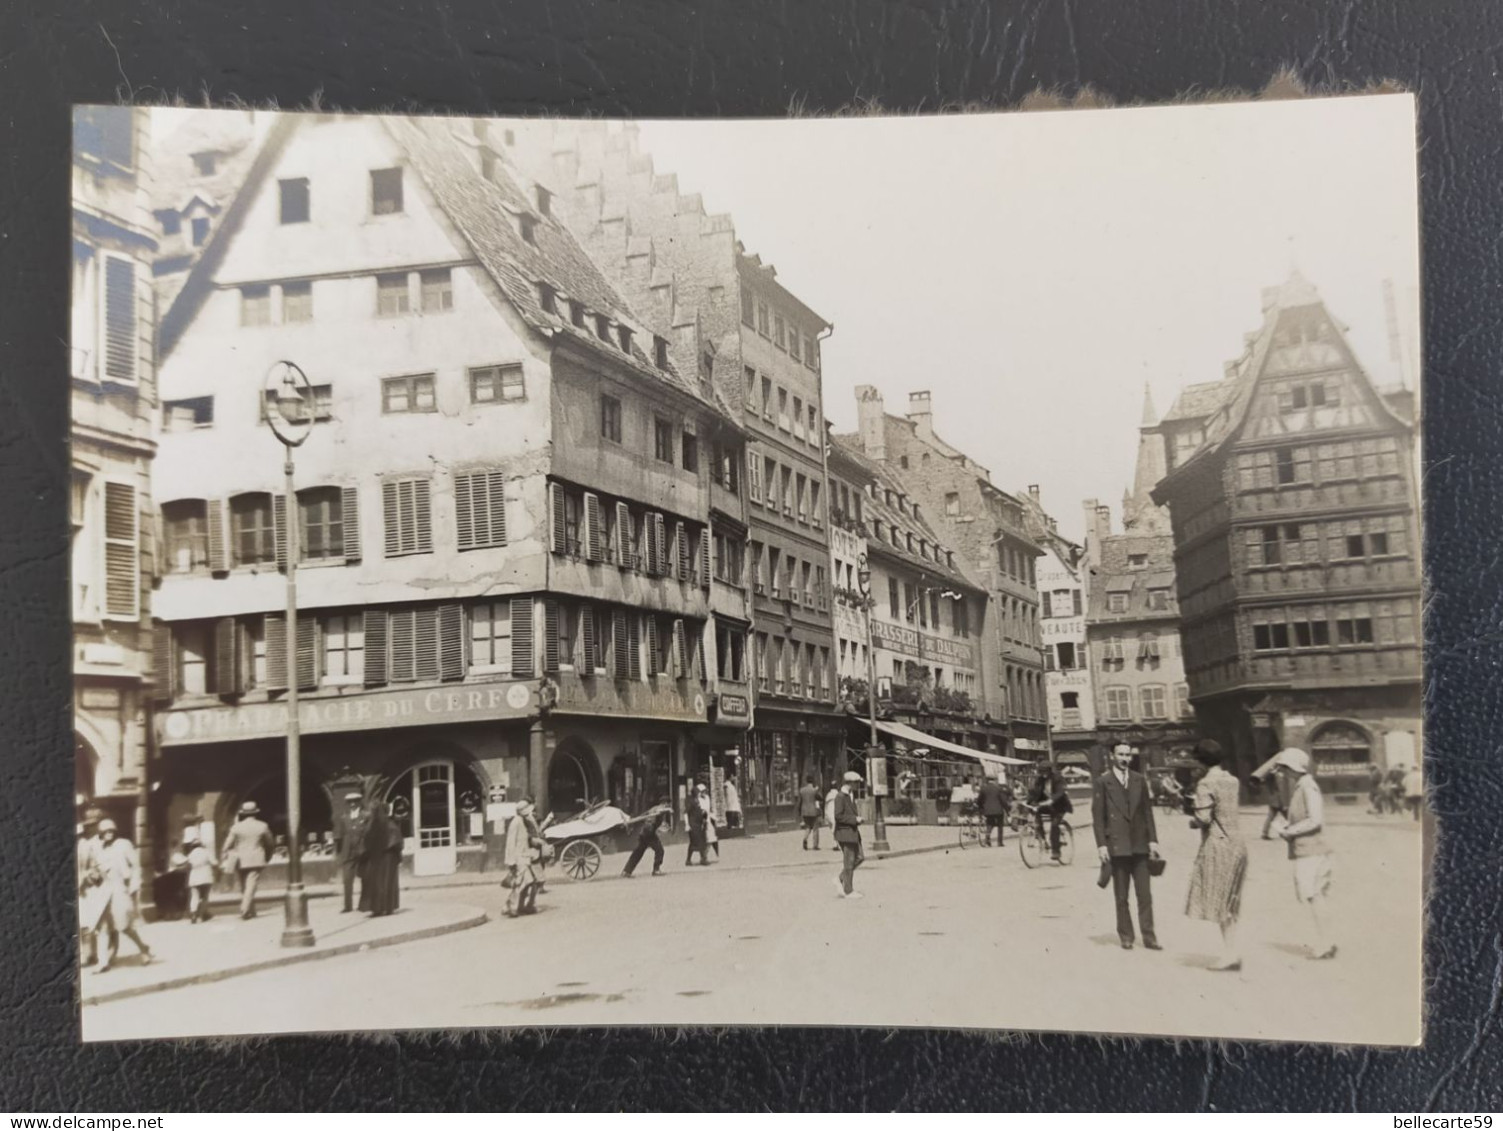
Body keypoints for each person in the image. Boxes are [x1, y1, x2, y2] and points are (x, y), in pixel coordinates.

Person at [1184, 739, 1248, 971]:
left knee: (1220, 900)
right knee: (1231, 900)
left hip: (1218, 845)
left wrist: (1193, 820)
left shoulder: (1205, 784)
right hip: (1237, 843)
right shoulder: (1233, 780)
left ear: (1201, 761)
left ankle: (1230, 953)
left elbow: (1203, 819)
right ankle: (1232, 951)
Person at [1092, 743, 1162, 950]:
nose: (1125, 758)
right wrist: (1101, 845)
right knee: (1121, 896)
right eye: (1120, 754)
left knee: (1145, 895)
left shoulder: (1139, 780)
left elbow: (1148, 812)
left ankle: (1149, 936)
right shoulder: (1103, 782)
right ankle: (1126, 935)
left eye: (1128, 755)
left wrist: (1153, 840)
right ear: (1112, 756)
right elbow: (1098, 816)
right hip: (1117, 846)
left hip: (1140, 845)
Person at [1275, 747, 1336, 960]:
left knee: (1313, 895)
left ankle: (1325, 944)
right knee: (1317, 896)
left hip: (1311, 850)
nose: (1283, 773)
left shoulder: (1307, 787)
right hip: (1312, 849)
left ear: (1294, 768)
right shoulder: (1302, 786)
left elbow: (1314, 819)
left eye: (1285, 768)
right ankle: (1327, 940)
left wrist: (1288, 831)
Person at [87, 819, 155, 972]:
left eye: (112, 830)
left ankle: (143, 949)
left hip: (119, 889)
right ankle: (102, 962)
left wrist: (134, 885)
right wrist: (93, 876)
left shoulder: (123, 844)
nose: (109, 833)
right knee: (102, 927)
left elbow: (136, 866)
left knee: (124, 926)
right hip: (103, 891)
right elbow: (95, 870)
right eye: (106, 831)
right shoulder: (97, 849)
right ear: (101, 833)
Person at [222, 800, 274, 920]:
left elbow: (227, 845)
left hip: (240, 859)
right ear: (255, 813)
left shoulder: (236, 827)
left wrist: (226, 855)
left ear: (243, 813)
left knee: (244, 886)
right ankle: (245, 909)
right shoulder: (262, 826)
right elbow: (270, 843)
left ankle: (251, 910)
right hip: (256, 859)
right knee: (251, 885)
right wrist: (268, 856)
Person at [503, 798, 546, 916]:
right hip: (518, 858)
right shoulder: (516, 822)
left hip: (525, 857)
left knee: (527, 883)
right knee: (526, 882)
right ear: (521, 811)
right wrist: (511, 861)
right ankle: (511, 907)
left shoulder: (524, 820)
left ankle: (517, 906)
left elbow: (526, 839)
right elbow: (510, 842)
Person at [360, 800, 403, 917]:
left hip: (377, 858)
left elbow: (365, 842)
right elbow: (397, 842)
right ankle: (388, 907)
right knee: (387, 882)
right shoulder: (390, 824)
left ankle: (377, 908)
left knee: (377, 883)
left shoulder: (371, 825)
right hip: (388, 858)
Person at [170, 826, 217, 925]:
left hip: (194, 877)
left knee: (194, 896)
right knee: (204, 897)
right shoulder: (206, 852)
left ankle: (193, 914)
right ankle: (202, 915)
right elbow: (214, 863)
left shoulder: (191, 854)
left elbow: (186, 864)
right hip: (206, 877)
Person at [76, 815, 104, 968]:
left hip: (85, 889)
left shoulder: (87, 847)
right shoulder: (85, 846)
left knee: (86, 923)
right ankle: (87, 955)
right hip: (81, 888)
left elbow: (94, 868)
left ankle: (88, 955)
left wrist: (86, 877)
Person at [1029, 766, 1073, 861]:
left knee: (1054, 825)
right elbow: (1034, 792)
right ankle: (1041, 837)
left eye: (1045, 773)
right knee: (1036, 812)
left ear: (1050, 771)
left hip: (1060, 806)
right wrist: (1029, 802)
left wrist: (1052, 799)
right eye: (1042, 773)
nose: (1044, 775)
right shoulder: (1040, 780)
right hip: (1048, 805)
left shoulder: (1058, 778)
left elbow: (1061, 791)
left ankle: (1056, 851)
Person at [833, 771, 865, 899]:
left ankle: (840, 878)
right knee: (849, 861)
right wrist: (855, 820)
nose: (858, 785)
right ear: (850, 783)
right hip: (845, 832)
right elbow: (838, 816)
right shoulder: (840, 796)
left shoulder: (850, 795)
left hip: (852, 832)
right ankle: (848, 890)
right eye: (856, 782)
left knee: (860, 857)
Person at [334, 791, 368, 914]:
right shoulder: (344, 818)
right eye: (350, 802)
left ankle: (364, 904)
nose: (353, 804)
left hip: (362, 852)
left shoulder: (365, 816)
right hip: (348, 853)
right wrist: (339, 854)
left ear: (359, 802)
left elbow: (368, 834)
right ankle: (347, 906)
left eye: (355, 801)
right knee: (347, 880)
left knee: (365, 878)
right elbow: (339, 836)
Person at [622, 806, 668, 878]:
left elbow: (644, 815)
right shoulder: (660, 808)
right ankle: (656, 870)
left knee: (638, 852)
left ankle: (627, 871)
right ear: (665, 803)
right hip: (649, 832)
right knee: (659, 850)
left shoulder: (653, 808)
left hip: (644, 832)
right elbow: (662, 810)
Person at [1250, 753, 1286, 839]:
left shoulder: (1270, 775)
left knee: (1271, 817)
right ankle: (1284, 832)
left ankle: (1265, 833)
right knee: (1288, 817)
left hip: (1274, 799)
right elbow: (1280, 787)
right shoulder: (1275, 774)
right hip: (1279, 799)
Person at [977, 773, 1010, 848]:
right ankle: (1000, 842)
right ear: (994, 780)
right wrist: (1007, 809)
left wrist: (981, 808)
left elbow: (979, 800)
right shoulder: (998, 788)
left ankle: (987, 839)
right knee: (1000, 826)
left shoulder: (983, 788)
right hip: (998, 810)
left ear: (987, 780)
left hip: (987, 810)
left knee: (989, 824)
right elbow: (1003, 800)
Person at [685, 784, 710, 866]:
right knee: (696, 842)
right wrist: (687, 824)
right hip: (693, 825)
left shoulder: (697, 801)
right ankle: (700, 859)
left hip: (699, 824)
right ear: (695, 793)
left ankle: (695, 859)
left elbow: (698, 811)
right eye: (698, 792)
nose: (700, 793)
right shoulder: (691, 801)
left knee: (698, 842)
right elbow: (685, 813)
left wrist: (703, 814)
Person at [798, 776, 824, 851]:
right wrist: (817, 790)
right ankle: (815, 845)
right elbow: (820, 798)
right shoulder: (814, 790)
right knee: (815, 828)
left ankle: (805, 838)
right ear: (812, 781)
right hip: (813, 811)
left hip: (805, 811)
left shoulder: (802, 790)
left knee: (808, 827)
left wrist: (800, 811)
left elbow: (800, 802)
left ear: (806, 781)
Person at [701, 784, 721, 861]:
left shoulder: (707, 798)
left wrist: (713, 817)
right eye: (703, 792)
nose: (704, 793)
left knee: (711, 838)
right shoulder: (699, 799)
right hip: (703, 821)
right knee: (707, 839)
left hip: (708, 820)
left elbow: (709, 809)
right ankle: (704, 856)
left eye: (705, 791)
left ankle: (706, 856)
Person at [824, 780, 842, 852]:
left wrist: (825, 815)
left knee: (833, 829)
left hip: (829, 813)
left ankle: (836, 844)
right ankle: (837, 844)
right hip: (836, 814)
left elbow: (826, 806)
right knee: (837, 829)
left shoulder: (828, 795)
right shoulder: (839, 795)